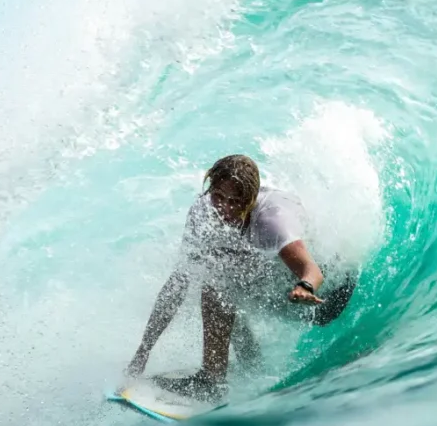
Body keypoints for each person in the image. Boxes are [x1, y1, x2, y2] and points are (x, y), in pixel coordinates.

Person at [126, 154, 356, 401]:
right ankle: (236, 370)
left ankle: (216, 378)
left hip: (324, 299)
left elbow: (312, 269)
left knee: (218, 283)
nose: (224, 208)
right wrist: (144, 350)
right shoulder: (203, 212)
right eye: (218, 197)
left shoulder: (272, 220)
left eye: (235, 201)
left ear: (251, 199)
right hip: (276, 285)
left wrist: (305, 286)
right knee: (215, 274)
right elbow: (177, 285)